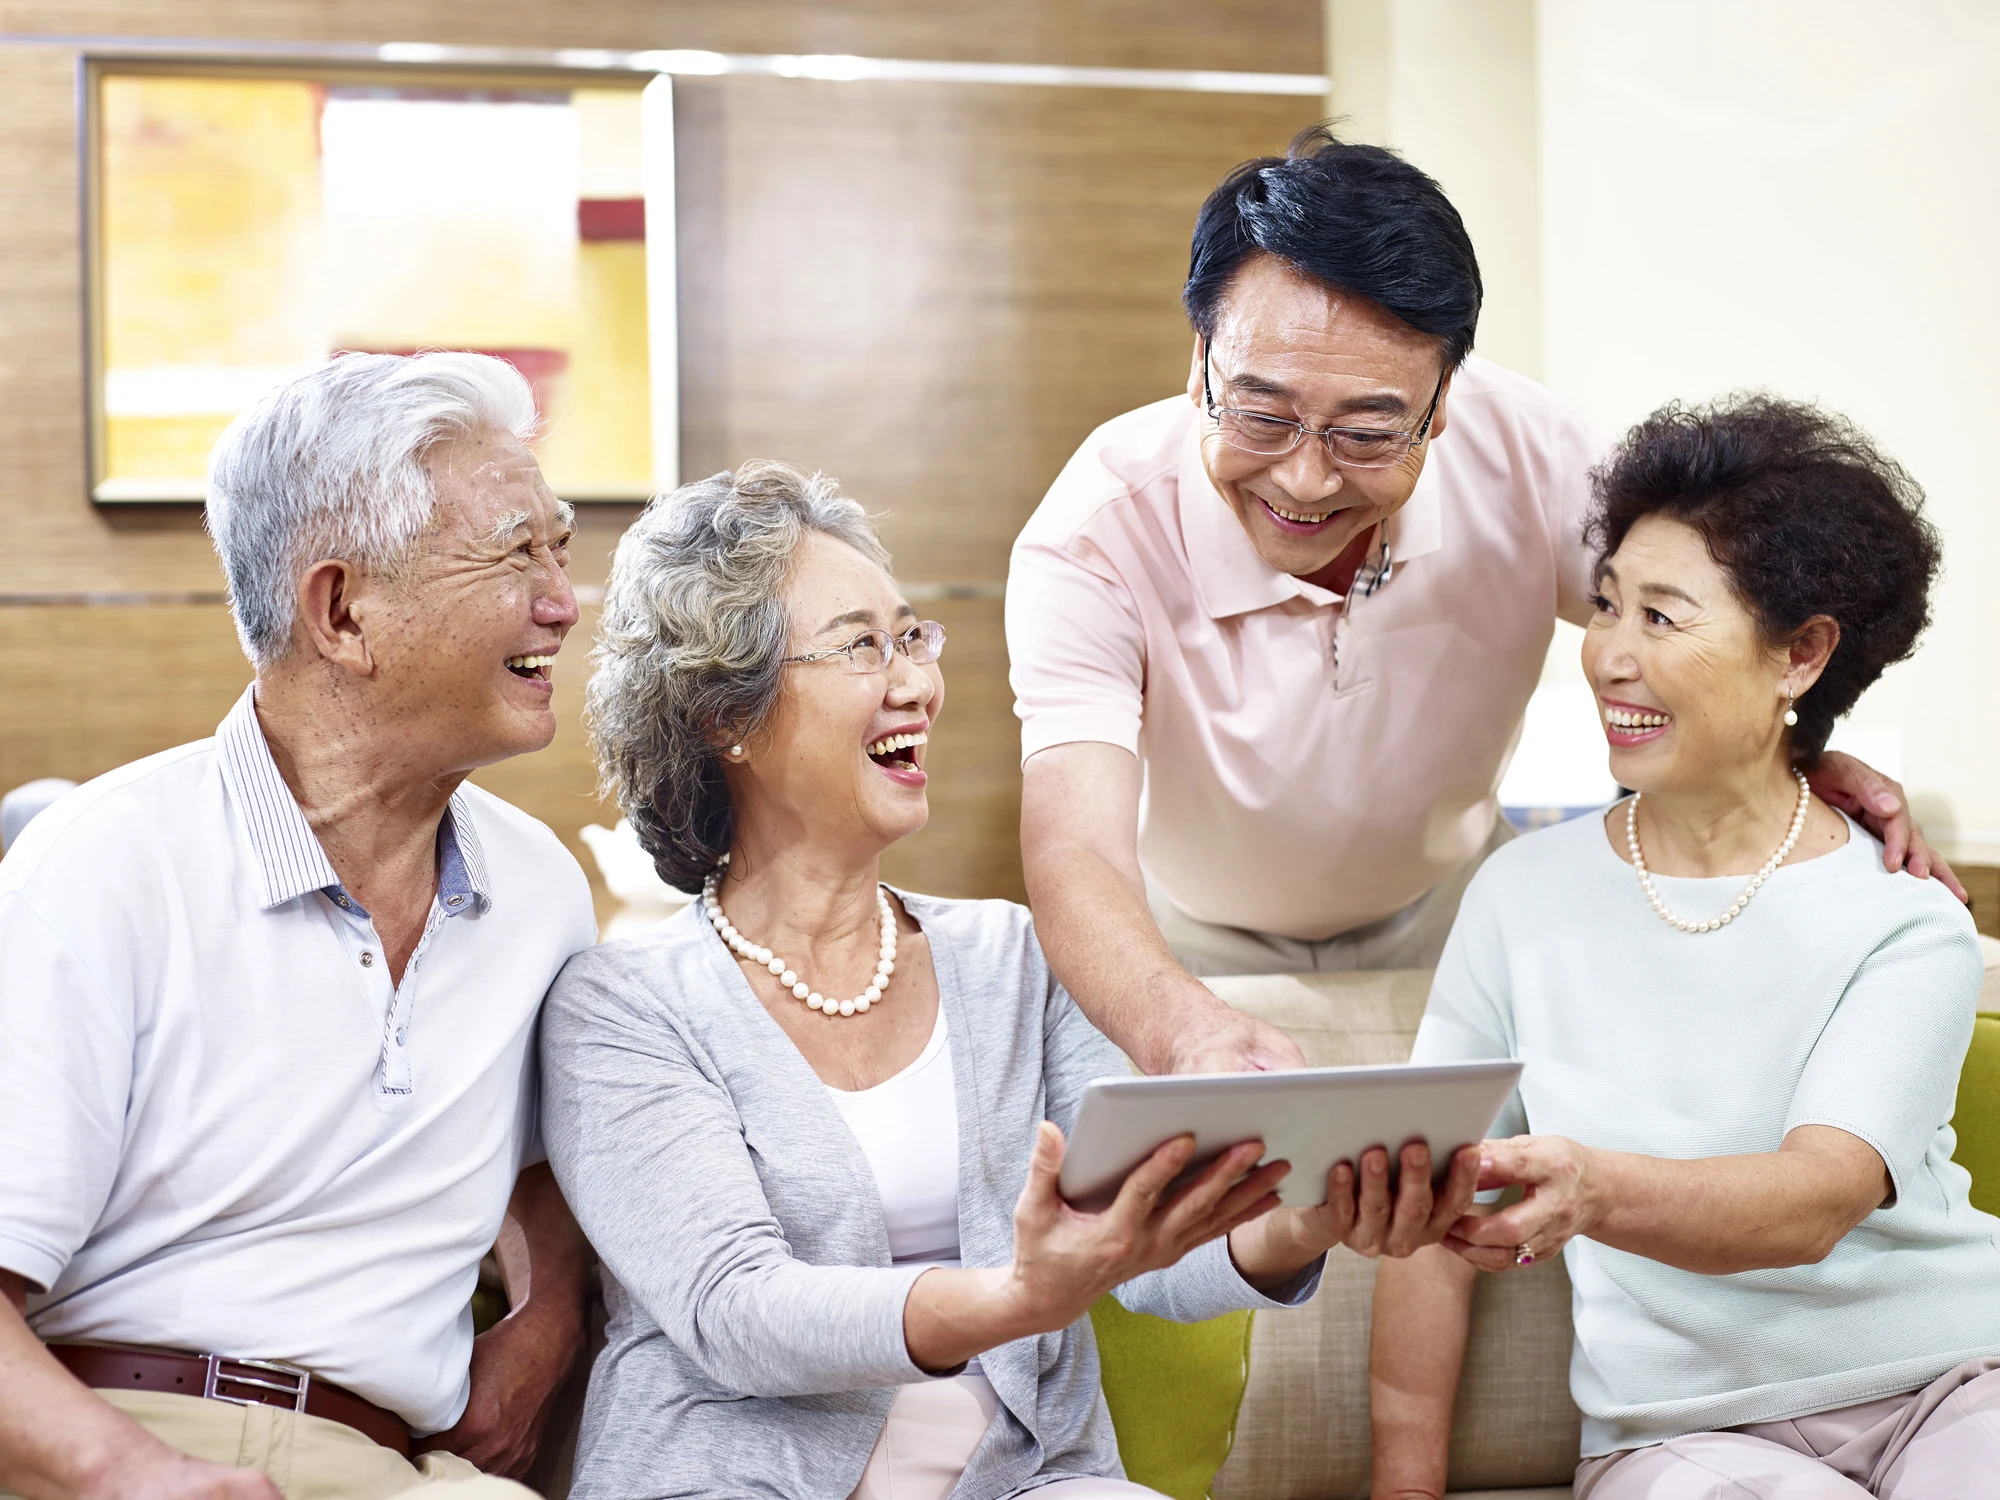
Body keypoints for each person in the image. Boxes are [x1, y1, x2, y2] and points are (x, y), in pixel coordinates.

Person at [537, 461, 1481, 1500]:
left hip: (1025, 1480)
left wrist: (1308, 1214)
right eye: (862, 645)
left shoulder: (1008, 959)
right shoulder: (623, 1005)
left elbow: (1146, 1245)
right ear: (729, 713)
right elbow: (736, 1312)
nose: (916, 682)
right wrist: (1016, 1296)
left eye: (912, 636)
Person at [1006, 127, 1958, 1079]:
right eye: (1261, 413)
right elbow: (1074, 845)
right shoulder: (1095, 532)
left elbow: (1692, 622)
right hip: (1192, 945)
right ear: (1200, 360)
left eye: (1369, 433)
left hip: (1460, 910)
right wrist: (1185, 1030)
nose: (1302, 479)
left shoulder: (1531, 453)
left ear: (1444, 399)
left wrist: (1785, 745)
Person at [1367, 396, 2000, 1499]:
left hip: (1954, 1379)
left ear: (1799, 655)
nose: (1609, 653)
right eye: (1605, 606)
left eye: (1661, 618)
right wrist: (1402, 1487)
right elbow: (1428, 1207)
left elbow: (1814, 1202)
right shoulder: (1518, 897)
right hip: (1683, 1438)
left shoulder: (1902, 916)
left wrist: (1593, 1188)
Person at [0, 354, 599, 1500]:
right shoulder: (104, 861)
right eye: (515, 550)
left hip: (397, 1466)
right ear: (342, 612)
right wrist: (129, 1474)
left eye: (557, 547)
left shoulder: (540, 890)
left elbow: (546, 1168)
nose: (562, 600)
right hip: (112, 1436)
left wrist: (546, 1324)